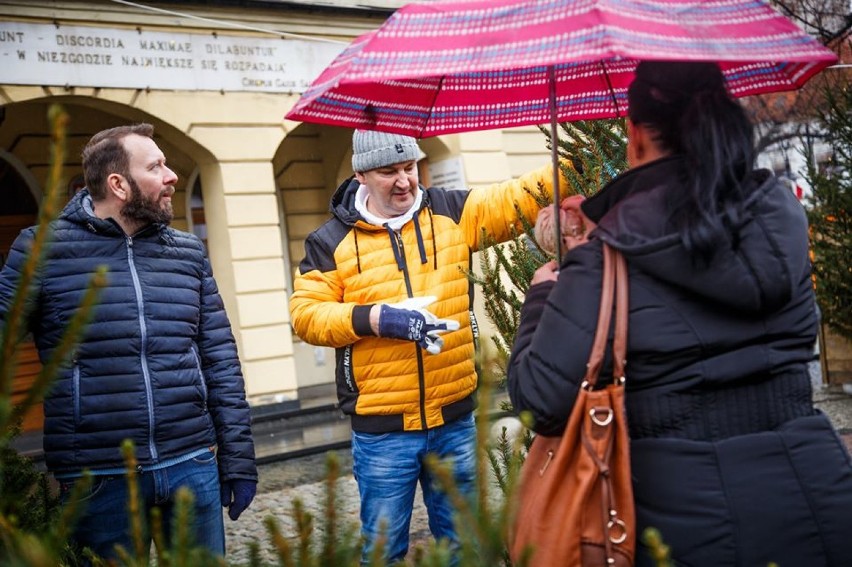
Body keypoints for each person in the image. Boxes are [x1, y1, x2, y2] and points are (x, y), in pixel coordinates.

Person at [508, 61, 852, 566]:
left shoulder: (604, 260)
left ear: (636, 135)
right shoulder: (780, 216)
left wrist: (543, 296)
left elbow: (539, 400)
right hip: (819, 491)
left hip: (678, 519)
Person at [289, 129, 566, 564]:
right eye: (388, 172)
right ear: (361, 174)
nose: (405, 181)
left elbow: (521, 197)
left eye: (409, 167)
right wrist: (375, 318)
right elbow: (306, 315)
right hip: (382, 432)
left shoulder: (453, 213)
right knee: (383, 551)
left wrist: (573, 162)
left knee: (467, 547)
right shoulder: (329, 241)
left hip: (455, 420)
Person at [0, 124, 258, 562]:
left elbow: (219, 361)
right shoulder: (43, 248)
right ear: (118, 184)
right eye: (156, 166)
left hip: (191, 465)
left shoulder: (188, 253)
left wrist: (237, 456)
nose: (172, 175)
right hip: (98, 478)